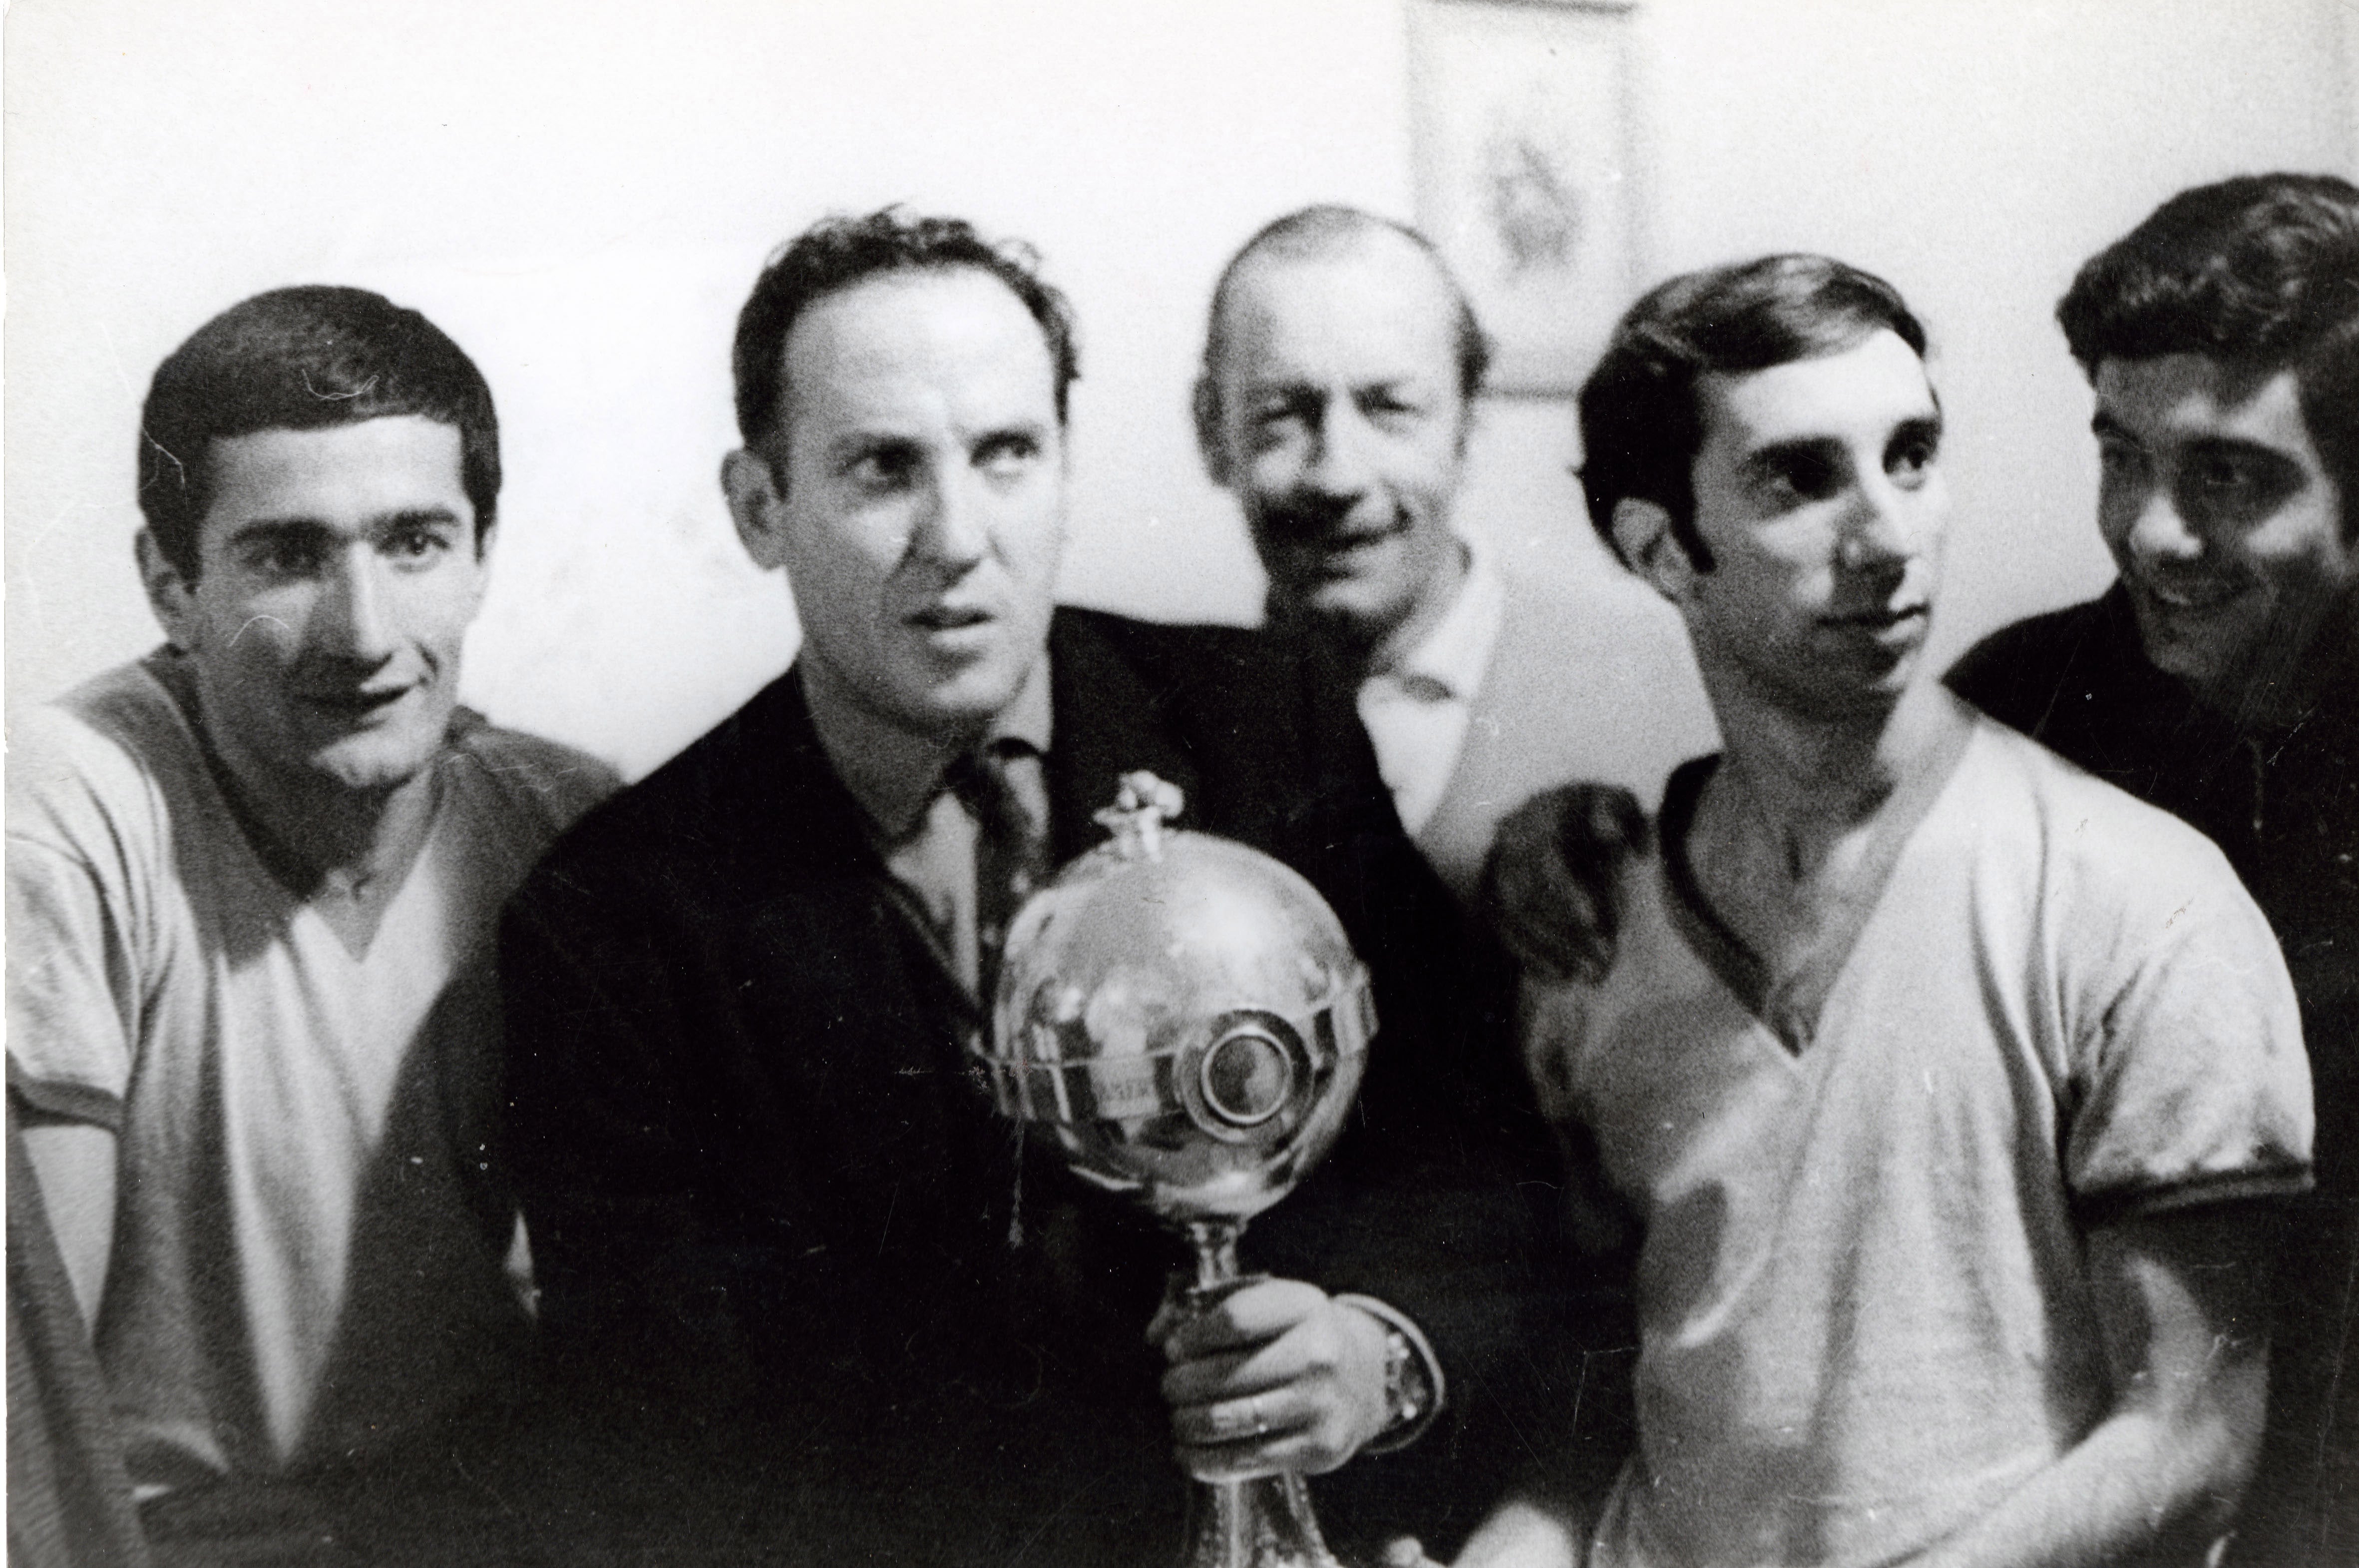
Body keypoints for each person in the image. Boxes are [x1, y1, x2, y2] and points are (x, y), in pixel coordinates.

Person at [499, 210, 1550, 1565]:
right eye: (882, 468)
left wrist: (1376, 1351)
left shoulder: (1265, 724)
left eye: (1006, 454)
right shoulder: (616, 917)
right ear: (760, 508)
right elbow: (671, 1444)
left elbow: (1476, 1158)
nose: (957, 534)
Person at [1460, 254, 2313, 1568]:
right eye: (1801, 478)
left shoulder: (2137, 897)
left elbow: (2191, 1438)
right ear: (1656, 548)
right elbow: (1603, 1389)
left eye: (1910, 455)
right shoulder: (1589, 921)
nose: (1886, 532)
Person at [5, 287, 616, 1560]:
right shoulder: (68, 808)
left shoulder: (567, 822)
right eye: (288, 555)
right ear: (169, 583)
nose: (364, 631)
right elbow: (23, 1431)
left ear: (484, 553)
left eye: (414, 543)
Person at [1947, 171, 2359, 1565]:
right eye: (2119, 452)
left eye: (2226, 475)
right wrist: (1570, 836)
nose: (2147, 530)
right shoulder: (2019, 700)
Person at [1195, 205, 1715, 903]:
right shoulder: (1172, 726)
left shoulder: (1675, 684)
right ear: (1211, 432)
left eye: (1390, 408)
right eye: (1282, 415)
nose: (1339, 476)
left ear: (1469, 425)